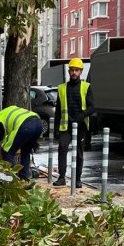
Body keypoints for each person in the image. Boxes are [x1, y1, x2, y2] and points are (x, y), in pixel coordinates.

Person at [53, 58, 94, 189]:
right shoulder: (62, 88)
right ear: (69, 71)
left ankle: (77, 179)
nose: (74, 72)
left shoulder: (86, 87)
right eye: (72, 70)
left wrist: (82, 115)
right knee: (62, 149)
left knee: (79, 153)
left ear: (81, 71)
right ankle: (62, 177)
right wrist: (56, 129)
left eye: (76, 70)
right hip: (66, 126)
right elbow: (58, 110)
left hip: (81, 126)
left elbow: (92, 107)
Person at [0, 104, 43, 182]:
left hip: (24, 125)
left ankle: (11, 181)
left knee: (7, 152)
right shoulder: (6, 111)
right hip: (38, 123)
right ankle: (24, 180)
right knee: (25, 151)